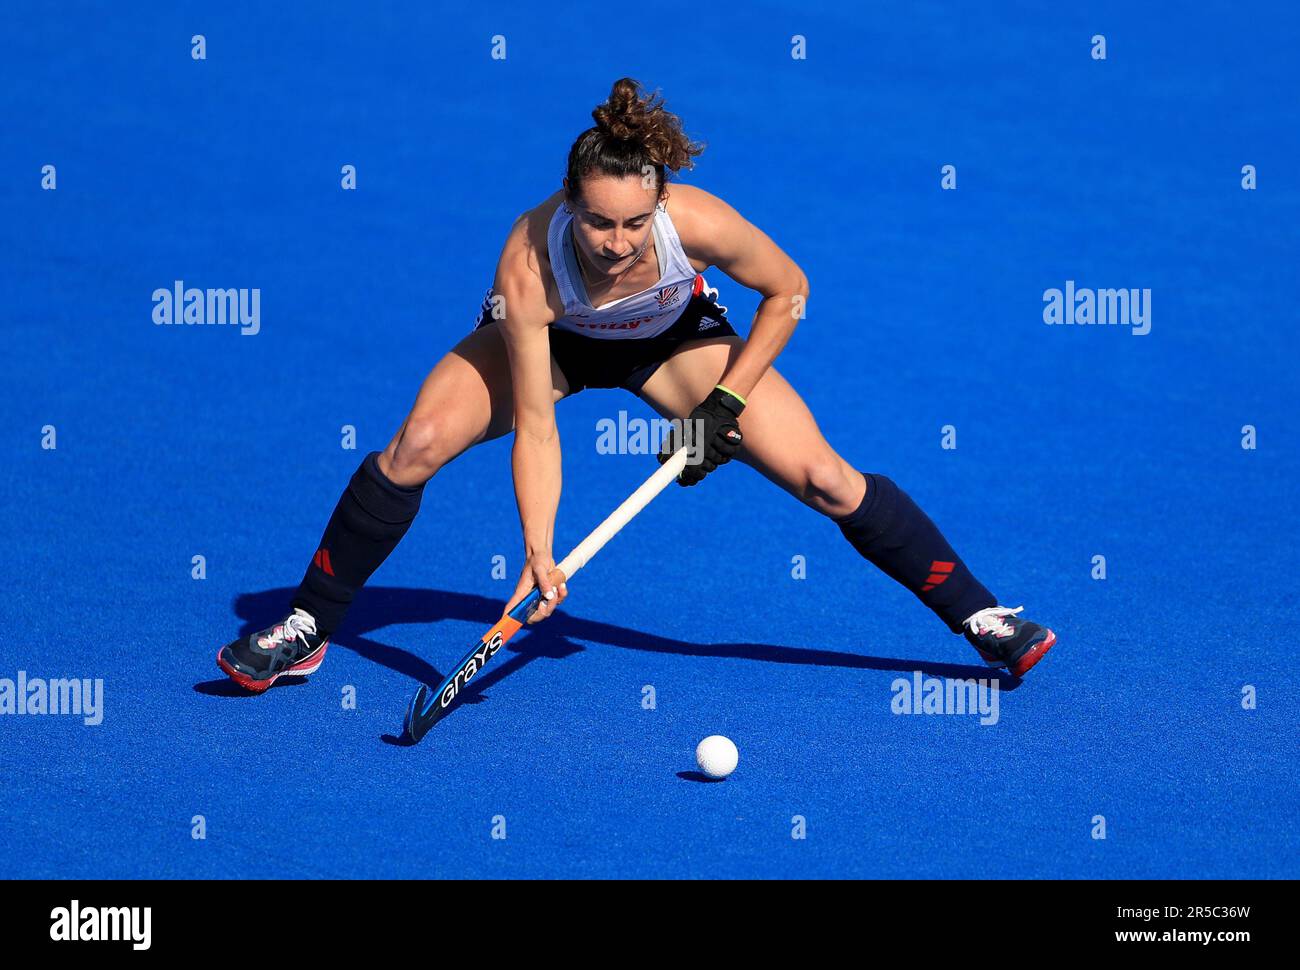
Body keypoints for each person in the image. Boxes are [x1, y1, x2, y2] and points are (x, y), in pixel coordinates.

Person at [217, 78, 1056, 693]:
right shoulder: (529, 262)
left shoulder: (696, 222)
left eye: (632, 223)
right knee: (419, 444)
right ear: (569, 206)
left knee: (825, 478)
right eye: (596, 222)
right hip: (555, 345)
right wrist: (538, 549)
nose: (616, 243)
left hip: (672, 344)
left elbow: (789, 290)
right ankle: (308, 625)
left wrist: (723, 404)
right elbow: (538, 426)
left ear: (657, 202)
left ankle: (982, 618)